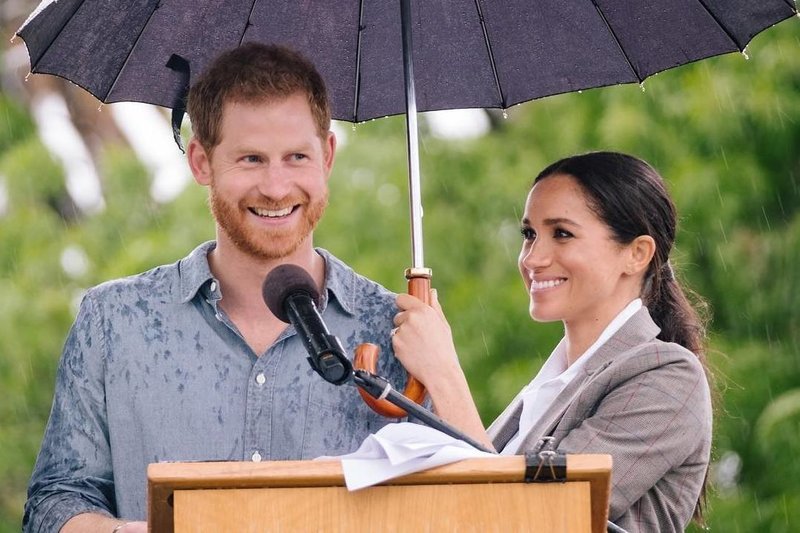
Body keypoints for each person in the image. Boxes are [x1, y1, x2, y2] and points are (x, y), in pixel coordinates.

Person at [24, 43, 407, 533]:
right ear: (201, 162)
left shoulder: (395, 329)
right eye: (250, 158)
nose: (275, 186)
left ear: (327, 155)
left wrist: (443, 374)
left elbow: (457, 503)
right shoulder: (112, 320)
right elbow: (53, 503)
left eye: (296, 156)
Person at [391, 151, 713, 532]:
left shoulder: (668, 379)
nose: (533, 258)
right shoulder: (547, 389)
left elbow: (534, 518)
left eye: (562, 233)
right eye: (529, 235)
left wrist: (445, 375)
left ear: (636, 253)